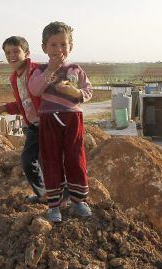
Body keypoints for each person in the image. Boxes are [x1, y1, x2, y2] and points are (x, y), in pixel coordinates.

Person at [28, 21, 93, 223]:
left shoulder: (75, 69)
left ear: (70, 47)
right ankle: (54, 205)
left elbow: (88, 91)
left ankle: (78, 200)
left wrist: (75, 92)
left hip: (73, 118)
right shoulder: (40, 70)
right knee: (51, 159)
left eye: (63, 44)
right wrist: (50, 71)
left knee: (75, 157)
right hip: (49, 119)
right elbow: (35, 90)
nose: (58, 49)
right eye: (53, 45)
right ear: (44, 48)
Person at [0, 36, 46, 203]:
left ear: (27, 53)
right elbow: (24, 103)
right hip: (32, 126)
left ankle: (62, 196)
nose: (11, 55)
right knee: (28, 160)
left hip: (48, 124)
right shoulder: (14, 78)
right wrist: (4, 108)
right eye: (8, 53)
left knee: (49, 161)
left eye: (16, 51)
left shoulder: (38, 71)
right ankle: (43, 194)